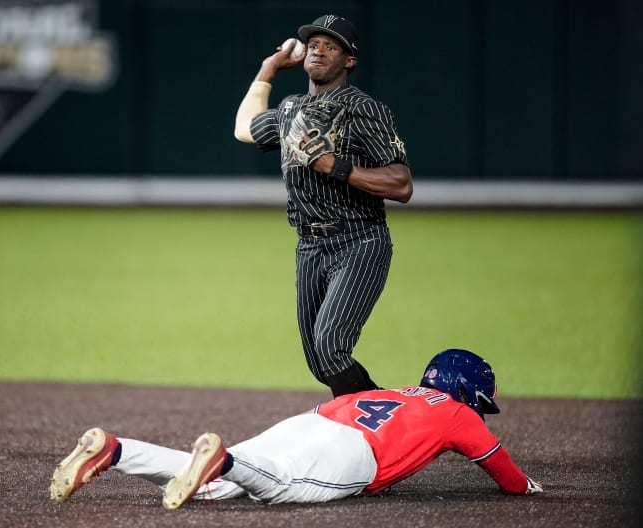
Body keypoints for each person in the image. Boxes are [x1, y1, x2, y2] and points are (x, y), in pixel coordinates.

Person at [49, 349, 543, 508]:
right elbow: (503, 470)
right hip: (353, 454)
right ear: (468, 391)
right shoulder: (456, 413)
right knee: (277, 485)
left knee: (214, 490)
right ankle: (222, 459)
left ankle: (114, 450)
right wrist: (528, 487)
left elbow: (343, 405)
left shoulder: (389, 392)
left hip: (311, 422)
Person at [233, 14, 414, 397]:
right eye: (314, 44)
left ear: (349, 61)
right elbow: (244, 128)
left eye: (330, 46)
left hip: (359, 241)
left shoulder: (364, 109)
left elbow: (401, 185)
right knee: (320, 362)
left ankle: (384, 429)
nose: (318, 50)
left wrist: (334, 165)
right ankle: (386, 416)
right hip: (309, 246)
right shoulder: (289, 109)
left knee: (331, 347)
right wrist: (269, 68)